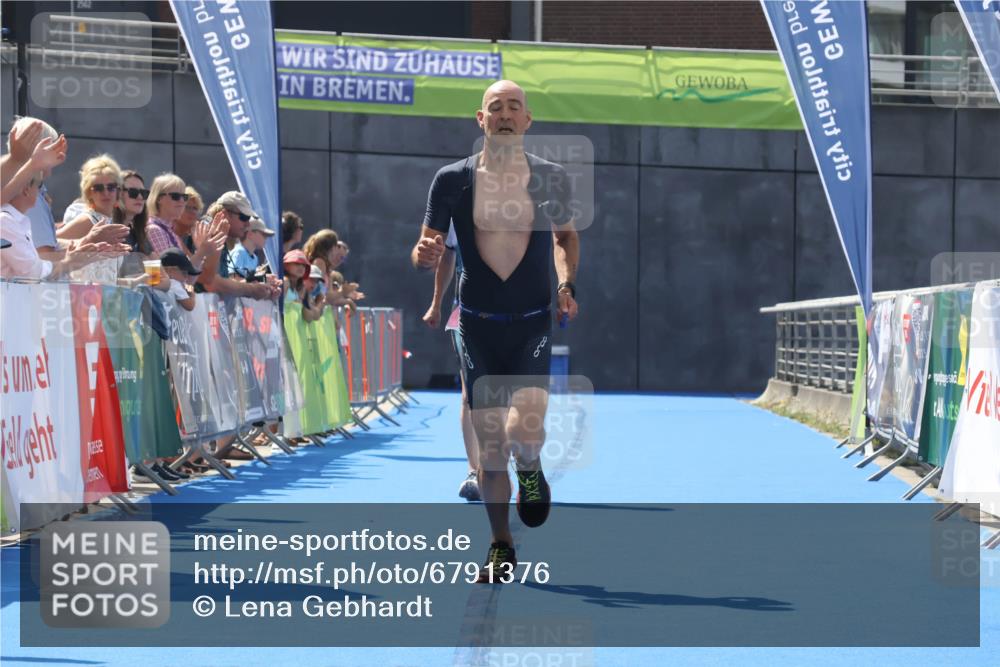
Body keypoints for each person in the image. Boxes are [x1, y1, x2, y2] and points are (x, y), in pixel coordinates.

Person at [411, 79, 580, 583]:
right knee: (489, 451)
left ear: (528, 120)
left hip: (531, 323)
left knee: (521, 431)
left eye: (514, 107)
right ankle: (500, 544)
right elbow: (428, 245)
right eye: (495, 108)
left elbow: (565, 236)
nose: (505, 115)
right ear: (480, 120)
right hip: (478, 326)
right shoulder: (452, 180)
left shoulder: (549, 178)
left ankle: (530, 467)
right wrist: (422, 257)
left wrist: (568, 282)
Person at [423, 223, 481, 501]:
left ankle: (508, 462)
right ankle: (475, 472)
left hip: (514, 315)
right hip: (466, 313)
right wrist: (436, 303)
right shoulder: (459, 208)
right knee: (470, 393)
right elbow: (447, 256)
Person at [1, 170, 126, 280]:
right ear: (26, 189)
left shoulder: (15, 222)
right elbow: (34, 272)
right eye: (40, 187)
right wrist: (71, 261)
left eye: (111, 187)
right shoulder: (6, 221)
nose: (46, 197)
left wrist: (86, 249)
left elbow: (50, 250)